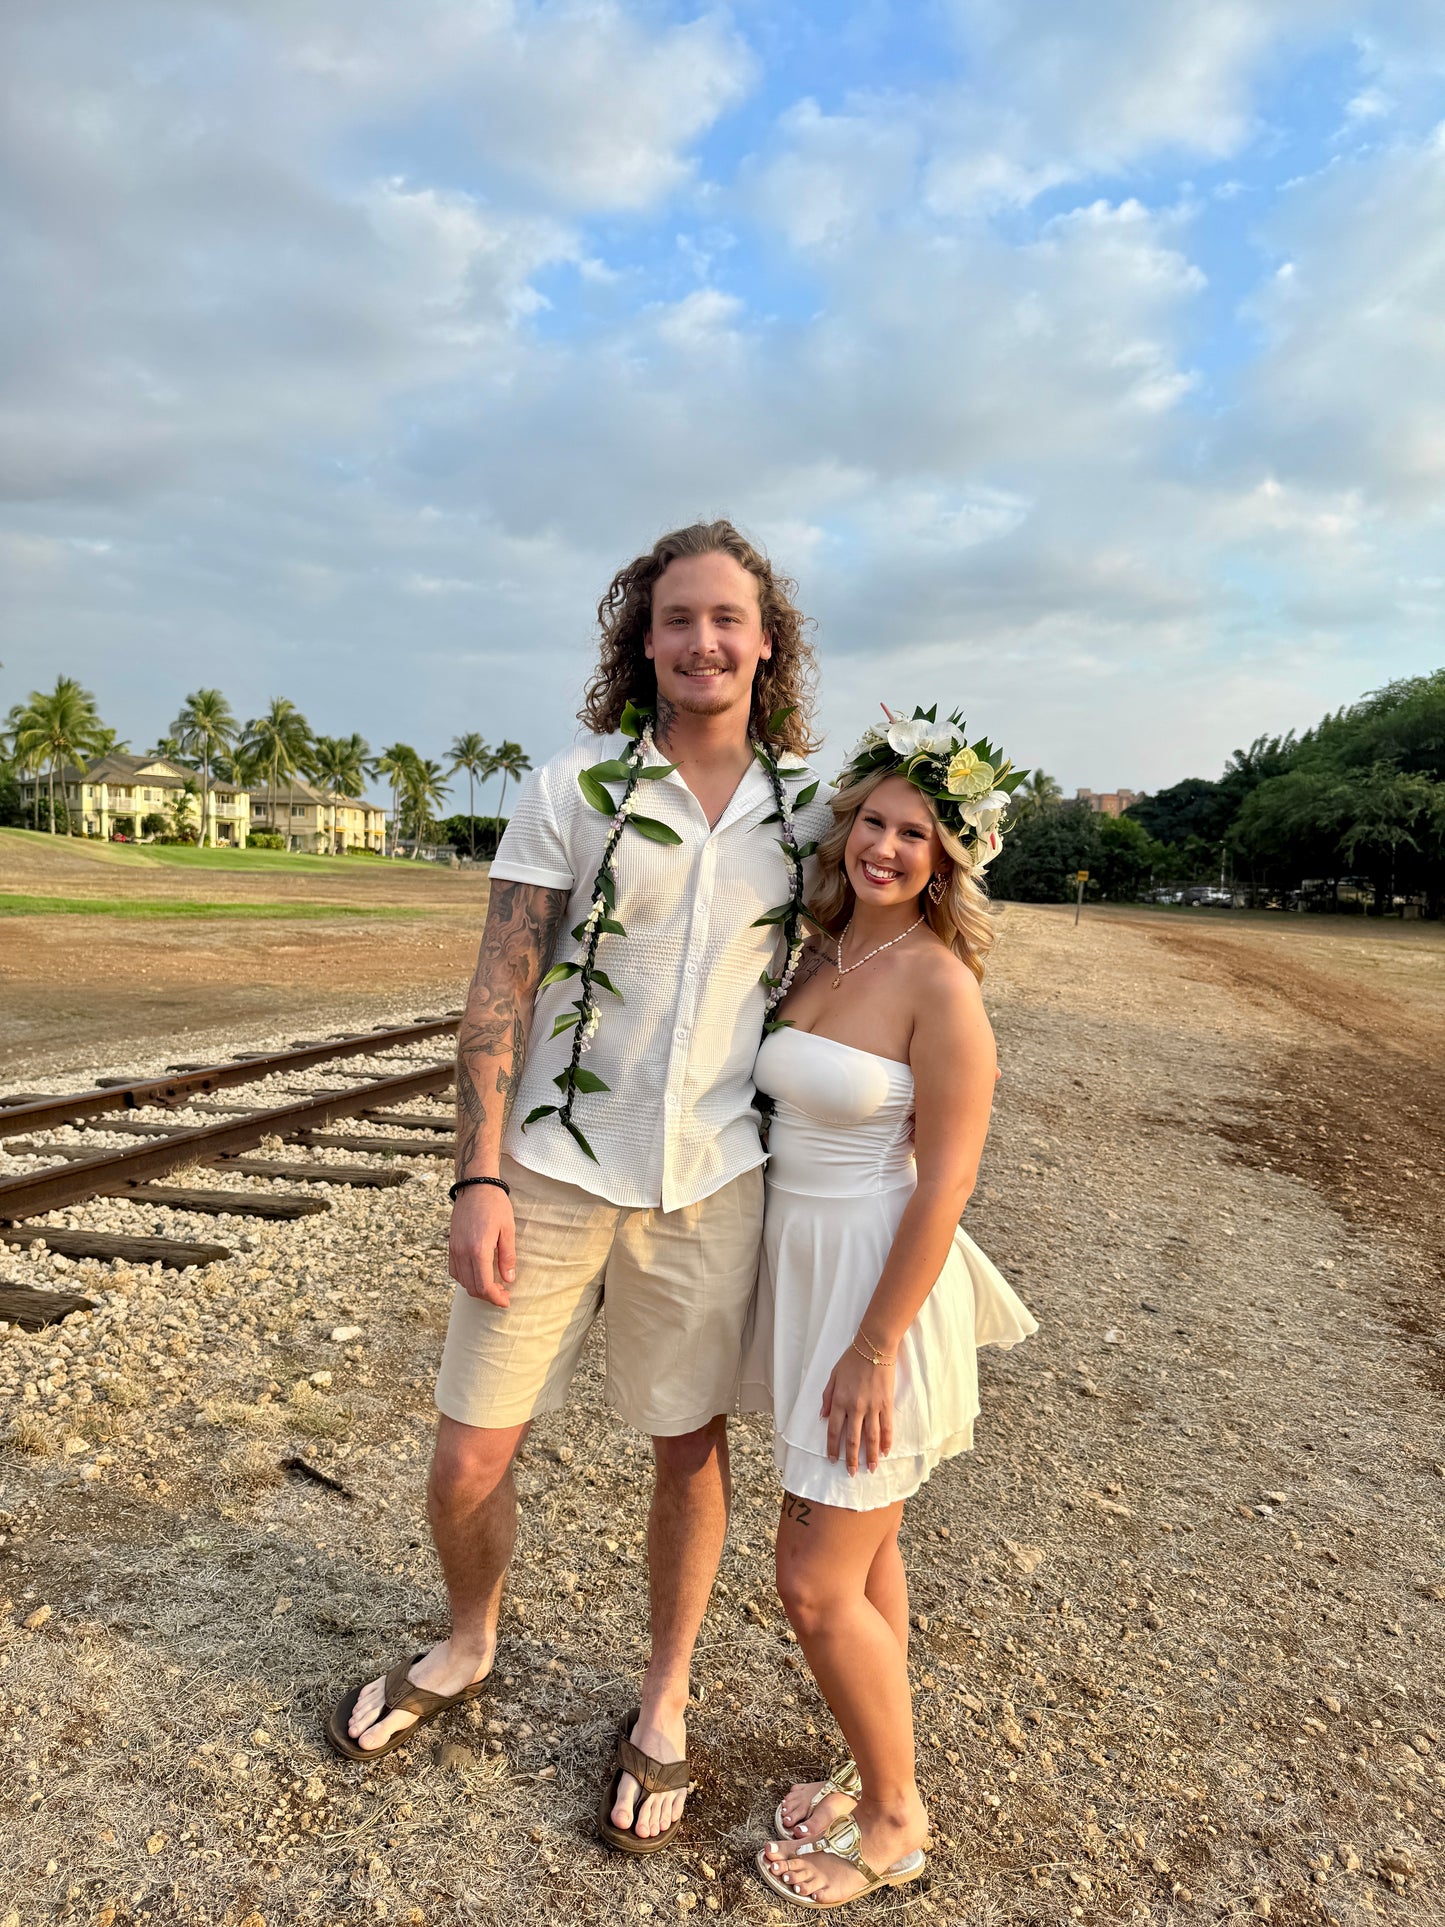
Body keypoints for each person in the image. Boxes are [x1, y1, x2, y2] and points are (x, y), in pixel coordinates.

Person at [326, 520, 831, 1856]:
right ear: (642, 638)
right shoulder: (574, 786)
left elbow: (882, 969)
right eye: (677, 618)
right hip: (550, 1167)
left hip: (713, 1178)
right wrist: (475, 1173)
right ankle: (468, 1635)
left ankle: (663, 1696)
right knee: (467, 1450)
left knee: (686, 1444)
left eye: (727, 617)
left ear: (765, 638)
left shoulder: (812, 812)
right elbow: (498, 990)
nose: (702, 640)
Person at [741, 708, 1038, 1908]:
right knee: (863, 1561)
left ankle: (896, 1823)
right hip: (800, 1271)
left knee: (811, 1581)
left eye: (915, 832)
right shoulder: (816, 952)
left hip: (876, 1290)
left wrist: (871, 1346)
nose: (885, 844)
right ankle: (874, 1777)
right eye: (873, 818)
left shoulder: (938, 986)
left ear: (947, 858)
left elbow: (950, 1178)